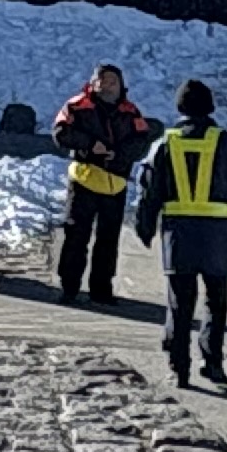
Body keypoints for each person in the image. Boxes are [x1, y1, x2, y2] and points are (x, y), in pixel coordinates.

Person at [131, 75, 227, 391]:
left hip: (179, 234)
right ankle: (212, 362)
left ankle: (179, 368)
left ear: (180, 108)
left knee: (180, 302)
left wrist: (145, 227)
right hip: (218, 235)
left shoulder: (165, 144)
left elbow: (148, 191)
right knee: (216, 302)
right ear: (211, 107)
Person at [50, 62, 151, 305]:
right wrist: (89, 145)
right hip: (84, 179)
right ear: (93, 83)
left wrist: (118, 154)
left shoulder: (131, 111)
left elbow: (141, 141)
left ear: (121, 85)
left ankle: (101, 289)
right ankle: (70, 287)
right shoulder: (77, 106)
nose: (108, 86)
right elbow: (60, 134)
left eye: (113, 81)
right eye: (103, 81)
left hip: (114, 183)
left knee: (108, 239)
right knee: (76, 235)